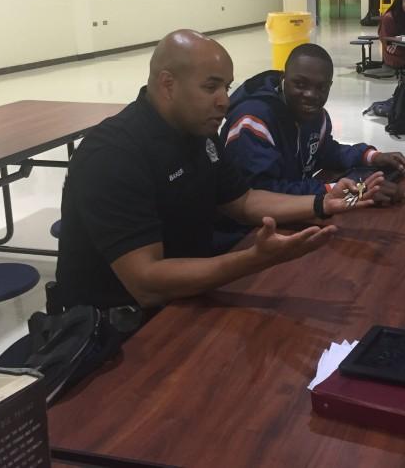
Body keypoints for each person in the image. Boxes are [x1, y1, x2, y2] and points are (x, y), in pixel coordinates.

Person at [55, 30, 385, 313]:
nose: (224, 101)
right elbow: (146, 284)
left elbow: (242, 200)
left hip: (188, 299)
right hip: (119, 331)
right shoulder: (113, 154)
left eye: (226, 87)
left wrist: (321, 203)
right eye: (211, 87)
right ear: (167, 84)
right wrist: (255, 259)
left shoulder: (199, 134)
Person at [221, 43, 405, 199]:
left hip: (299, 211)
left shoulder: (317, 117)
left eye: (321, 87)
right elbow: (261, 194)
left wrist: (371, 156)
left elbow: (326, 152)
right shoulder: (252, 121)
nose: (311, 95)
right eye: (300, 84)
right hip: (248, 233)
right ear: (283, 78)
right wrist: (344, 191)